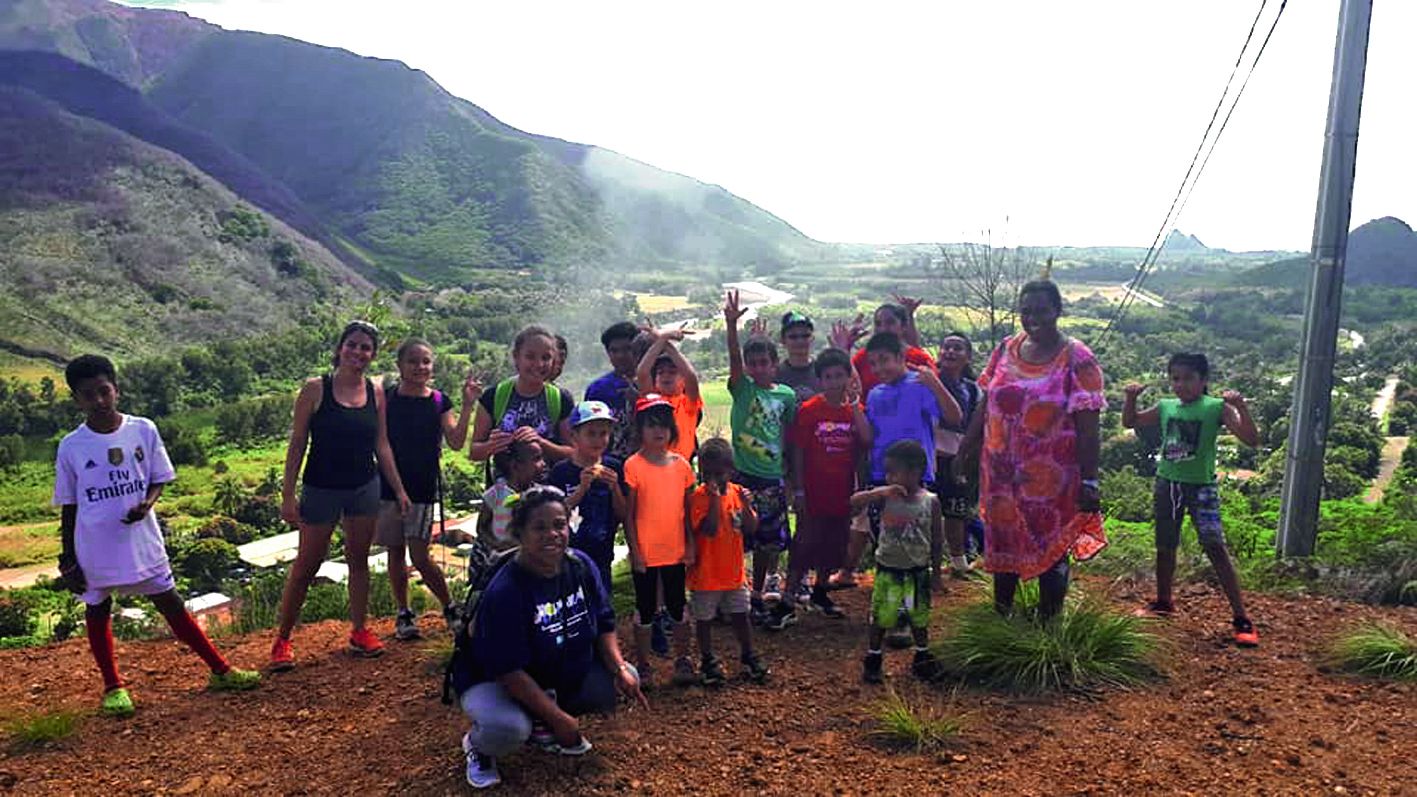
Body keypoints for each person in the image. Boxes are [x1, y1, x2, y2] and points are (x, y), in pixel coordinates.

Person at [53, 355, 261, 715]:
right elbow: (69, 505)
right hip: (95, 544)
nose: (99, 401)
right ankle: (113, 687)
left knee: (170, 602)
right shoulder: (71, 446)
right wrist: (67, 556)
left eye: (104, 391)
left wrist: (147, 505)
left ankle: (220, 669)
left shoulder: (143, 430)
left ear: (116, 389)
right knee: (98, 607)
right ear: (78, 400)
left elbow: (157, 478)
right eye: (89, 395)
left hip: (140, 540)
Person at [451, 486, 646, 790]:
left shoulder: (579, 565)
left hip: (550, 670)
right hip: (493, 677)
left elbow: (604, 623)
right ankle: (479, 745)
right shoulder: (506, 592)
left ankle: (541, 716)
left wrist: (619, 666)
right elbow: (508, 670)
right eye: (539, 527)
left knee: (624, 677)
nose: (552, 534)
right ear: (520, 533)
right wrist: (560, 720)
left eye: (559, 525)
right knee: (508, 728)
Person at [958, 280, 1106, 620]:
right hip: (999, 474)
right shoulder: (1006, 348)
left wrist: (1090, 480)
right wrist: (967, 448)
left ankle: (1048, 627)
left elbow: (1088, 427)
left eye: (1041, 310)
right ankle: (1001, 618)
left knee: (1050, 547)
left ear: (1057, 310)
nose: (1032, 318)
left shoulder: (1077, 358)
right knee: (1003, 541)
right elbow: (985, 403)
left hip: (1051, 481)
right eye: (1026, 311)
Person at [272, 321, 412, 670]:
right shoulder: (316, 389)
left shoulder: (376, 391)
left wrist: (398, 488)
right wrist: (288, 495)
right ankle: (282, 640)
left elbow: (381, 443)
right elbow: (297, 444)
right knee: (307, 564)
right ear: (339, 348)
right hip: (321, 487)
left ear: (373, 354)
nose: (358, 353)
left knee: (359, 559)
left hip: (364, 485)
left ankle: (360, 631)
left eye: (366, 348)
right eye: (352, 345)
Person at [1122, 353, 1261, 646]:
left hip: (1202, 488)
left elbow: (1251, 438)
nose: (1180, 385)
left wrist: (1241, 407)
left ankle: (1241, 617)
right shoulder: (1166, 406)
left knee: (1215, 547)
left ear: (1203, 380)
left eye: (1188, 378)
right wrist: (1131, 397)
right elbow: (1130, 421)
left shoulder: (1216, 408)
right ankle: (1163, 602)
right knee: (1165, 546)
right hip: (1168, 483)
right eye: (1175, 378)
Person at [839, 331, 961, 588]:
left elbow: (954, 417)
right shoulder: (874, 394)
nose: (878, 368)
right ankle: (889, 587)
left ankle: (922, 583)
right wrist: (853, 405)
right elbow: (869, 437)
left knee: (918, 533)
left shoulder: (920, 385)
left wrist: (936, 384)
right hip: (881, 474)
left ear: (900, 357)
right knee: (886, 535)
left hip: (916, 476)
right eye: (873, 363)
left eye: (884, 360)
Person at [378, 338, 479, 642]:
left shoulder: (438, 401)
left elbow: (457, 441)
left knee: (420, 555)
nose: (420, 367)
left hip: (422, 488)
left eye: (425, 361)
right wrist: (398, 490)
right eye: (413, 361)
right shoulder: (387, 399)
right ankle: (404, 613)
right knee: (395, 552)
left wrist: (467, 404)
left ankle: (449, 606)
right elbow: (381, 444)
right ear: (400, 365)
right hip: (388, 486)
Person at [723, 289, 798, 628]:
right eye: (753, 363)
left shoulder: (786, 395)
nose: (757, 367)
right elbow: (735, 361)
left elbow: (789, 434)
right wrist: (731, 327)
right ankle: (732, 592)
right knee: (738, 537)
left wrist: (790, 474)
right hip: (741, 476)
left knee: (769, 542)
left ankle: (755, 595)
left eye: (763, 362)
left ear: (774, 364)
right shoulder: (743, 388)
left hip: (771, 477)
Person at [780, 348, 869, 626]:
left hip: (842, 491)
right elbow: (798, 451)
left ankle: (820, 591)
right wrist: (799, 489)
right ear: (820, 380)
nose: (834, 382)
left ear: (847, 377)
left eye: (839, 376)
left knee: (834, 542)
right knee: (805, 542)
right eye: (828, 377)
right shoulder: (809, 411)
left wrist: (862, 488)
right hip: (813, 490)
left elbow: (863, 449)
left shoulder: (856, 411)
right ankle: (788, 597)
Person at [851, 440, 943, 684]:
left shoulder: (930, 501)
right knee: (882, 615)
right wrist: (879, 492)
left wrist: (936, 573)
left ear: (914, 472)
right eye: (887, 471)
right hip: (889, 569)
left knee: (919, 615)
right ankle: (873, 657)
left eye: (894, 471)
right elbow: (854, 502)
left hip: (918, 569)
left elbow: (936, 538)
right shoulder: (885, 497)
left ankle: (922, 656)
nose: (889, 476)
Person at [622, 395, 698, 688]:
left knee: (678, 606)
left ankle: (683, 659)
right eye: (652, 425)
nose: (659, 432)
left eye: (665, 425)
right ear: (640, 429)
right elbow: (628, 516)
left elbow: (688, 513)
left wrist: (690, 546)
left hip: (676, 551)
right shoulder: (633, 466)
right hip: (647, 552)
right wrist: (635, 552)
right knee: (645, 608)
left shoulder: (681, 466)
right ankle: (643, 665)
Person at [687, 439, 770, 685]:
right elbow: (709, 530)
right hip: (706, 573)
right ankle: (707, 659)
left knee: (740, 614)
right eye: (707, 473)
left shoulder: (736, 493)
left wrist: (745, 505)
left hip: (733, 572)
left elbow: (751, 528)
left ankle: (748, 654)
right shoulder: (700, 497)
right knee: (704, 619)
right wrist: (714, 500)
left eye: (719, 473)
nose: (713, 478)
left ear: (731, 470)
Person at [470, 325, 576, 472]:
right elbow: (474, 452)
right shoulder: (493, 396)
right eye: (530, 356)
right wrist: (491, 446)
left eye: (546, 358)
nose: (539, 364)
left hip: (549, 492)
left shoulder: (560, 399)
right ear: (516, 357)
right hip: (503, 492)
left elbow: (573, 454)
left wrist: (540, 442)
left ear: (554, 361)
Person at [547, 401, 627, 591]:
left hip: (602, 554)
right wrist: (581, 489)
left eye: (603, 433)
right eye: (591, 433)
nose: (598, 440)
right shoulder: (561, 472)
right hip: (567, 555)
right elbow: (554, 515)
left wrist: (615, 487)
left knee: (602, 605)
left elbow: (624, 513)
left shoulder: (614, 467)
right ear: (574, 436)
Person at [934, 331, 983, 578]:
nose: (951, 352)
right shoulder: (927, 382)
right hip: (930, 459)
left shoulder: (974, 392)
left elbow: (978, 426)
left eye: (957, 348)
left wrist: (968, 460)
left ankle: (958, 561)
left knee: (955, 513)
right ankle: (929, 564)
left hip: (958, 459)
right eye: (946, 347)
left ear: (968, 357)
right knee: (928, 512)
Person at [635, 328, 703, 463]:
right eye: (660, 372)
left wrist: (665, 341)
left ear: (682, 381)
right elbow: (642, 373)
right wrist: (662, 339)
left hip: (682, 468)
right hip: (654, 468)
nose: (666, 376)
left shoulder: (688, 405)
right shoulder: (653, 401)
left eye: (672, 372)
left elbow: (691, 376)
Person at [850, 303, 937, 400]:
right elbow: (846, 384)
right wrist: (845, 347)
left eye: (890, 323)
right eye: (878, 324)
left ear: (904, 326)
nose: (883, 328)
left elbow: (936, 395)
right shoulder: (862, 357)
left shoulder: (920, 359)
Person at [475, 440, 547, 552]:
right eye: (536, 459)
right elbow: (481, 527)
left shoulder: (539, 494)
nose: (543, 464)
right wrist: (497, 545)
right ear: (515, 466)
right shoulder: (496, 493)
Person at [585, 321, 642, 462]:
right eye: (614, 351)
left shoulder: (654, 383)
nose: (620, 355)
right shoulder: (598, 390)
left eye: (627, 349)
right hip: (608, 464)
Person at [775, 311, 820, 404]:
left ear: (812, 338)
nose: (800, 341)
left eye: (805, 336)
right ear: (783, 340)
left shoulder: (823, 372)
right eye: (793, 337)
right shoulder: (774, 373)